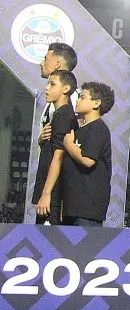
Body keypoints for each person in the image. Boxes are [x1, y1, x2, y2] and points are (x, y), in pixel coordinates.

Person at [60, 82, 114, 226]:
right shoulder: (80, 129)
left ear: (96, 103)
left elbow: (88, 160)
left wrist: (69, 145)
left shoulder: (98, 128)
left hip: (87, 208)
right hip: (73, 205)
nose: (77, 100)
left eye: (82, 97)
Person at [34, 70, 77, 223]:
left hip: (54, 196)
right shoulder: (59, 115)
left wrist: (46, 194)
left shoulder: (64, 115)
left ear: (66, 89)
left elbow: (58, 156)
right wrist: (41, 140)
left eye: (52, 84)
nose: (46, 88)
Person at [37, 42, 80, 145]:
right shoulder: (53, 98)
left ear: (57, 64)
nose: (41, 63)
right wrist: (40, 140)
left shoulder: (74, 100)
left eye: (45, 59)